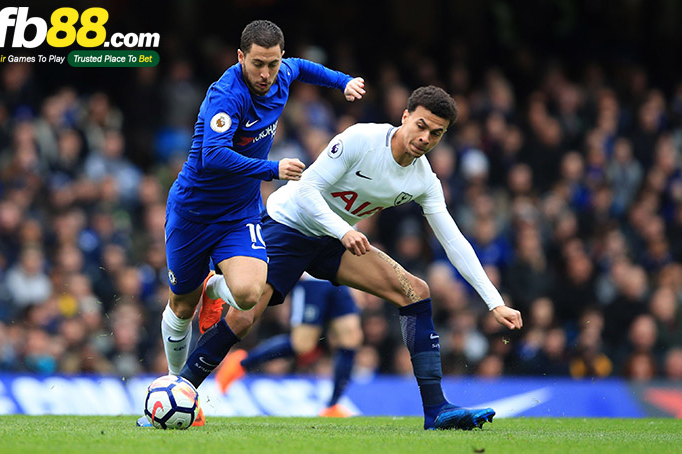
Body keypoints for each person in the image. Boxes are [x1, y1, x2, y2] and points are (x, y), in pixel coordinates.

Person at [182, 85, 522, 430]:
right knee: (243, 319)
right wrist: (343, 230)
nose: (425, 137)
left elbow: (453, 240)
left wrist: (494, 302)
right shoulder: (361, 139)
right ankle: (181, 390)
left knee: (415, 290)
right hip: (289, 225)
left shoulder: (423, 179)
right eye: (420, 125)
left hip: (335, 239)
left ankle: (436, 410)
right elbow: (308, 190)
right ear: (405, 117)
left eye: (436, 133)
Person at [139, 20, 365, 427]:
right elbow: (213, 156)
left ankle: (206, 321)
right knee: (183, 305)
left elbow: (305, 67)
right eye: (258, 64)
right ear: (240, 57)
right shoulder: (226, 96)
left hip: (239, 212)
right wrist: (272, 167)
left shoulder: (283, 72)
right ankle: (178, 387)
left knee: (248, 294)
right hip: (192, 212)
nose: (266, 74)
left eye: (273, 64)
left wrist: (344, 81)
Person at [217, 276, 362, 417]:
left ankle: (332, 406)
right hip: (313, 280)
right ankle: (242, 363)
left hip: (339, 279)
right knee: (302, 344)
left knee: (350, 339)